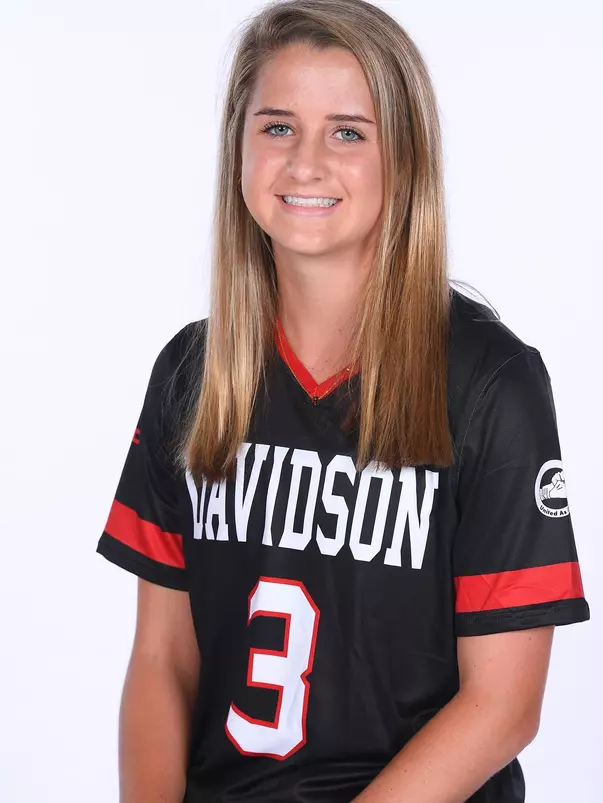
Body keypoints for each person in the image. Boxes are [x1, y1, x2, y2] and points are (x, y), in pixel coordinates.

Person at [96, 0, 590, 801]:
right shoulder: (193, 370)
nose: (305, 163)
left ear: (406, 159)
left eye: (349, 132)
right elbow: (161, 656)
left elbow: (502, 706)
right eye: (278, 127)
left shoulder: (490, 381)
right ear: (239, 147)